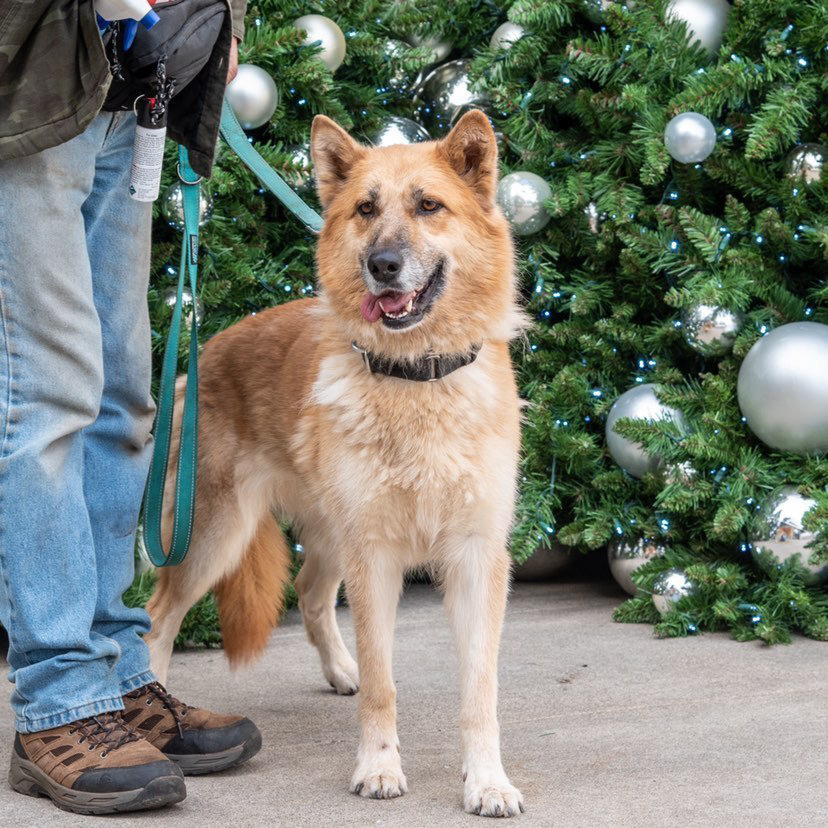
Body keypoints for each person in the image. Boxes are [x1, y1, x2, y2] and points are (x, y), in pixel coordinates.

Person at [0, 0, 258, 814]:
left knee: (122, 397)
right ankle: (59, 703)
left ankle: (116, 671)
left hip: (127, 96)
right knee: (47, 397)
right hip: (31, 92)